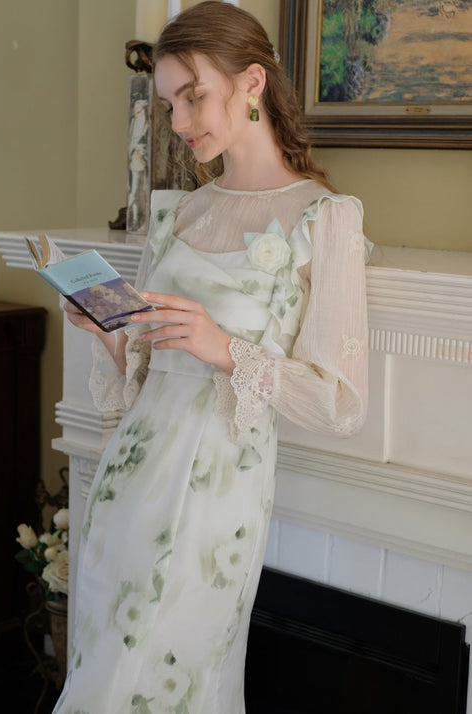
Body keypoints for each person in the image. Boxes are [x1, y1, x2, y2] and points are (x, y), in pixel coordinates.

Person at [55, 2, 370, 712]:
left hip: (214, 496)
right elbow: (137, 384)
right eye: (169, 104)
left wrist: (224, 348)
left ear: (251, 82)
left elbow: (340, 404)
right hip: (127, 481)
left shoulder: (325, 218)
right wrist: (107, 331)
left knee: (171, 684)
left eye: (192, 96)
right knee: (102, 678)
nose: (178, 121)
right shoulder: (178, 214)